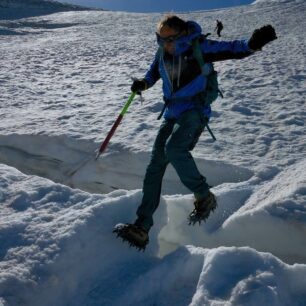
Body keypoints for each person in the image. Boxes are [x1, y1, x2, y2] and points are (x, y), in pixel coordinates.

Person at [114, 15, 277, 250]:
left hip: (194, 110)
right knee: (155, 166)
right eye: (159, 39)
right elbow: (153, 73)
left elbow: (231, 49)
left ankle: (204, 195)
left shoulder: (199, 46)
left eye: (168, 39)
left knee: (174, 148)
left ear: (181, 34)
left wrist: (252, 44)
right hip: (172, 112)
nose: (163, 44)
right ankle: (142, 227)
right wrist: (144, 83)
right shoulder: (163, 52)